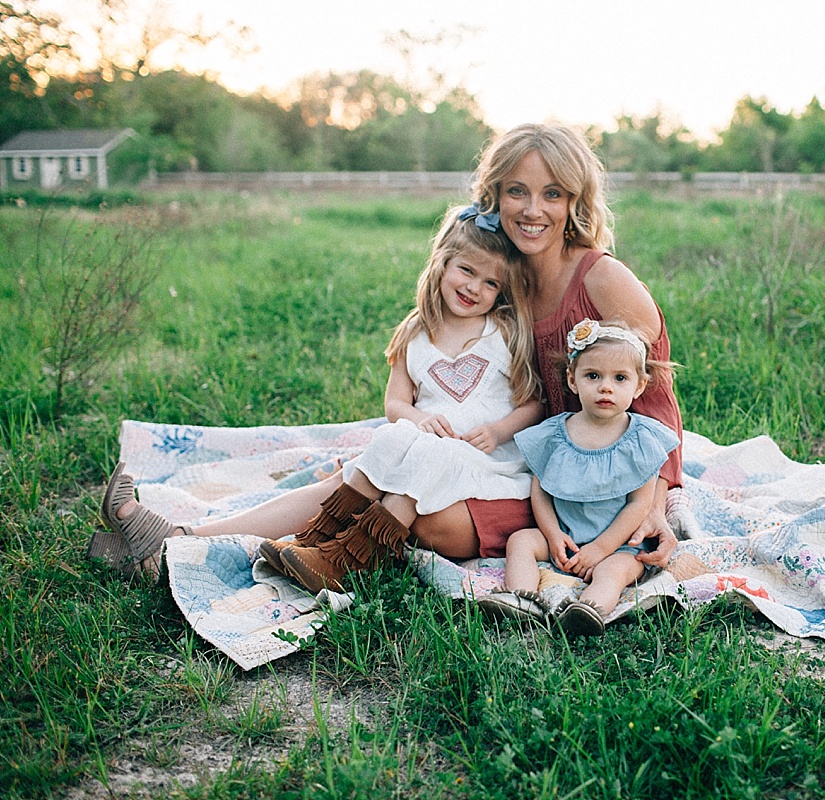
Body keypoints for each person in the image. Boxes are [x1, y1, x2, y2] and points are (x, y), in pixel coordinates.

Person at [93, 122, 684, 582]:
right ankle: (180, 536)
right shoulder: (501, 281)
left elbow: (655, 408)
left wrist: (654, 503)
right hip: (514, 457)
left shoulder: (604, 281)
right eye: (516, 192)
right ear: (494, 198)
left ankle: (318, 555)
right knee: (379, 465)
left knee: (425, 514)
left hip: (581, 479)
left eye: (552, 193)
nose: (533, 209)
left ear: (575, 200)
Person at [92, 205, 541, 583]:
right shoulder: (417, 332)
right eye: (466, 271)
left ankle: (329, 558)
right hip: (422, 449)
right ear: (442, 263)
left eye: (491, 284)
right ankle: (173, 542)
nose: (474, 288)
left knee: (408, 458)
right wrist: (416, 419)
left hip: (481, 464)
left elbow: (533, 401)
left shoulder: (502, 333)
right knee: (385, 450)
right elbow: (395, 404)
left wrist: (499, 430)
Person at [479, 320, 679, 636]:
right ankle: (521, 600)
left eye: (620, 378)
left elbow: (638, 505)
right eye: (593, 376)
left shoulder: (642, 439)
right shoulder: (555, 435)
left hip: (620, 543)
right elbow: (541, 491)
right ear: (573, 380)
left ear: (639, 386)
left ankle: (587, 611)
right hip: (567, 536)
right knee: (521, 541)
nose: (606, 387)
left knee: (614, 572)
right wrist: (553, 534)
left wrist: (600, 549)